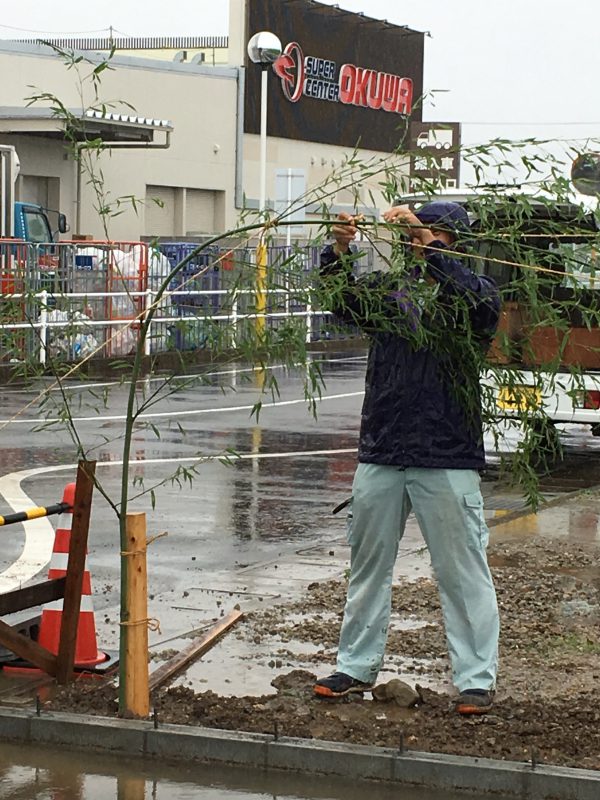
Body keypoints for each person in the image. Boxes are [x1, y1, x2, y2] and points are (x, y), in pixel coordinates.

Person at [313, 201, 501, 715]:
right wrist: (339, 250)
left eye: (435, 234)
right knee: (368, 565)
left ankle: (476, 678)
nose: (421, 242)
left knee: (461, 570)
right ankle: (354, 665)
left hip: (446, 453)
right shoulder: (393, 290)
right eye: (420, 233)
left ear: (454, 242)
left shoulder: (476, 292)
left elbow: (475, 304)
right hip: (383, 448)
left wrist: (428, 244)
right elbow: (341, 303)